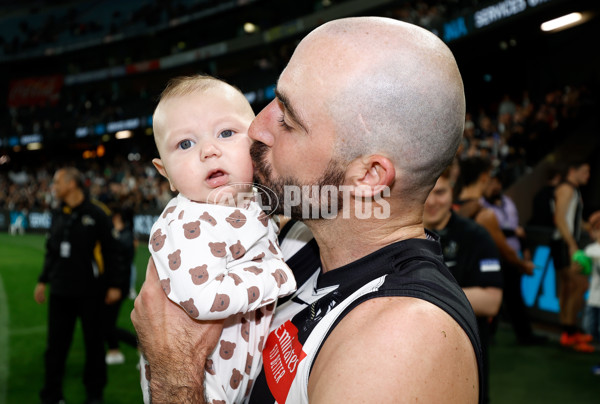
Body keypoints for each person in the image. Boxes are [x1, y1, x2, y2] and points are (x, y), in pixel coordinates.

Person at [132, 17, 483, 403]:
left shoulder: (403, 340)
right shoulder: (296, 237)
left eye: (288, 118)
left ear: (368, 175)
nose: (256, 128)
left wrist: (174, 372)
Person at [143, 75, 296, 403]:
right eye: (185, 144)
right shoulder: (185, 221)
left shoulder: (254, 199)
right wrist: (277, 276)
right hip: (202, 381)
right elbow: (204, 299)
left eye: (226, 133)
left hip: (241, 375)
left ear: (255, 141)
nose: (209, 151)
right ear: (165, 172)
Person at [34, 167, 126, 404]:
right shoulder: (58, 214)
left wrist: (115, 285)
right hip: (60, 292)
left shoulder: (96, 214)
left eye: (56, 182)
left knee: (94, 345)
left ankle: (94, 395)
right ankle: (52, 395)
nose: (53, 187)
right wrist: (43, 280)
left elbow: (113, 251)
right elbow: (51, 252)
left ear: (71, 184)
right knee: (55, 347)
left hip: (91, 292)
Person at [424, 167, 502, 404]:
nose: (432, 201)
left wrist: (418, 295)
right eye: (426, 192)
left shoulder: (475, 235)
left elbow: (491, 302)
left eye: (440, 192)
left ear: (452, 193)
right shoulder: (396, 235)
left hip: (463, 357)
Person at [481, 171, 547, 345]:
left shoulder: (508, 202)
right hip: (492, 256)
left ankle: (524, 334)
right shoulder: (479, 205)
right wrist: (512, 232)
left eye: (497, 182)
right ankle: (487, 335)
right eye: (491, 182)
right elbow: (489, 230)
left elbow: (518, 228)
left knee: (515, 297)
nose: (495, 186)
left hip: (511, 255)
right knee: (491, 295)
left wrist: (524, 249)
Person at [551, 160, 593, 352]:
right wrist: (572, 245)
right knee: (578, 284)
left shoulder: (573, 190)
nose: (587, 176)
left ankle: (568, 332)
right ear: (572, 170)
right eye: (584, 171)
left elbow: (573, 221)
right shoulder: (566, 189)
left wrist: (591, 226)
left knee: (570, 287)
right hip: (563, 244)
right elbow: (560, 219)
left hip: (564, 243)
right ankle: (569, 331)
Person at [103, 205, 138, 365]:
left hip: (118, 285)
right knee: (105, 321)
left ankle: (141, 346)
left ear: (117, 218)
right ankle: (114, 351)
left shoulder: (123, 237)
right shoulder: (121, 235)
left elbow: (121, 262)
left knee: (106, 324)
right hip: (114, 284)